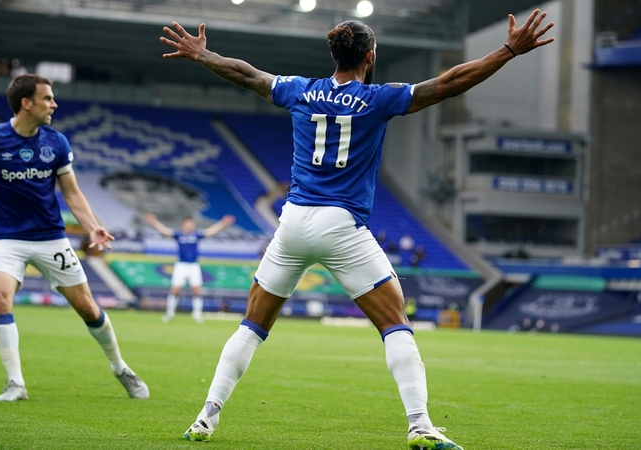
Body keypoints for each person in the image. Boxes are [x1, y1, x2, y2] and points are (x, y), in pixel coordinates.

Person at [160, 9, 553, 449]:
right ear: (370, 56)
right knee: (394, 323)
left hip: (292, 221)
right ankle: (421, 425)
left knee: (252, 326)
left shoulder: (300, 90)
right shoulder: (379, 98)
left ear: (332, 54)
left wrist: (203, 54)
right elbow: (448, 83)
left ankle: (204, 419)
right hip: (341, 223)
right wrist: (507, 51)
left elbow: (246, 74)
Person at [0, 74, 149, 402]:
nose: (54, 104)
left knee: (88, 308)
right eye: (48, 98)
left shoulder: (57, 142)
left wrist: (93, 226)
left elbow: (73, 194)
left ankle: (121, 368)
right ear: (26, 103)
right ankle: (16, 384)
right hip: (8, 238)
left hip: (52, 238)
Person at [145, 213, 235, 323]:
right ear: (184, 224)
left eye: (192, 224)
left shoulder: (196, 235)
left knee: (197, 291)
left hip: (193, 265)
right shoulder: (179, 235)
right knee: (175, 290)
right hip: (181, 265)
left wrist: (223, 223)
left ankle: (197, 315)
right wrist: (154, 222)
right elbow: (165, 231)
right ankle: (169, 314)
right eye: (189, 224)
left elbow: (211, 231)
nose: (191, 226)